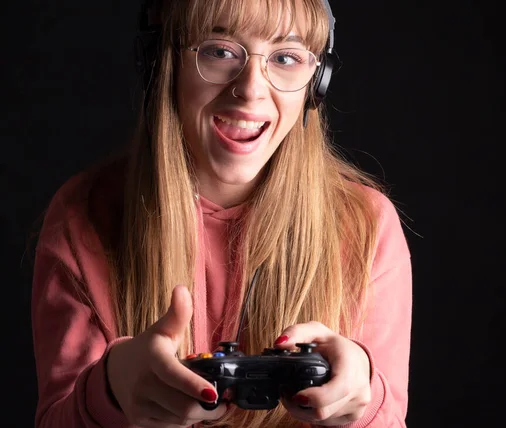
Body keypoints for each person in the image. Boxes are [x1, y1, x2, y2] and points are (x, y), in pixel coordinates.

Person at [30, 0, 412, 427]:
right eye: (220, 50)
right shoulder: (83, 216)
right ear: (162, 64)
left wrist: (364, 400)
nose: (251, 89)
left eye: (286, 57)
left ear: (316, 83)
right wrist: (109, 392)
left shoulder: (367, 225)